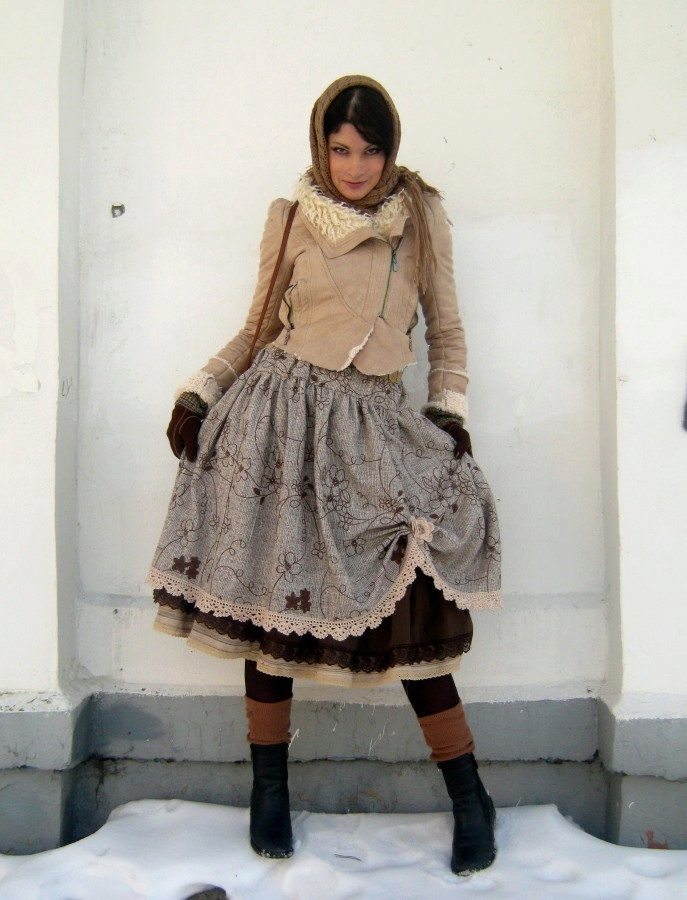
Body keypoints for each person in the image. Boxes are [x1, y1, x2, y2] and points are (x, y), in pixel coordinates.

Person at [145, 74, 502, 876]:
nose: (354, 166)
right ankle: (268, 792)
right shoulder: (291, 216)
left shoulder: (419, 216)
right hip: (278, 426)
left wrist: (447, 413)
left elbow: (446, 332)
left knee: (411, 613)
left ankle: (468, 796)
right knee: (270, 610)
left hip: (371, 427)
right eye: (340, 149)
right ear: (320, 147)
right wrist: (200, 391)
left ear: (390, 149)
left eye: (369, 149)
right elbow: (254, 327)